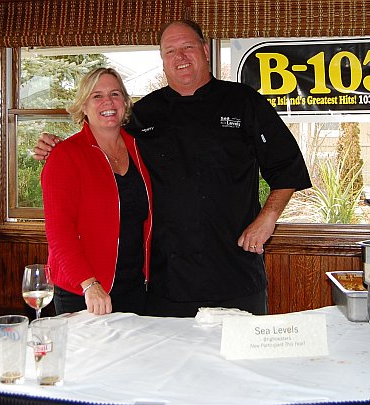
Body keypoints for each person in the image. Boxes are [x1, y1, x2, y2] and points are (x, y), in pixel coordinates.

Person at [34, 20, 311, 317]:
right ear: (163, 61)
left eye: (188, 47)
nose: (180, 57)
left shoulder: (245, 102)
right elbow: (101, 136)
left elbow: (286, 165)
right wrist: (59, 147)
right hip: (167, 282)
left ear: (205, 50)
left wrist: (267, 218)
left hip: (236, 271)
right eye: (170, 51)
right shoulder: (143, 115)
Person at [41, 67, 153, 316]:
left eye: (114, 94)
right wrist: (89, 284)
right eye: (97, 96)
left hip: (134, 287)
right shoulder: (65, 156)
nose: (108, 102)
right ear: (83, 106)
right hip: (84, 292)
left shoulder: (140, 149)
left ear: (125, 102)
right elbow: (59, 231)